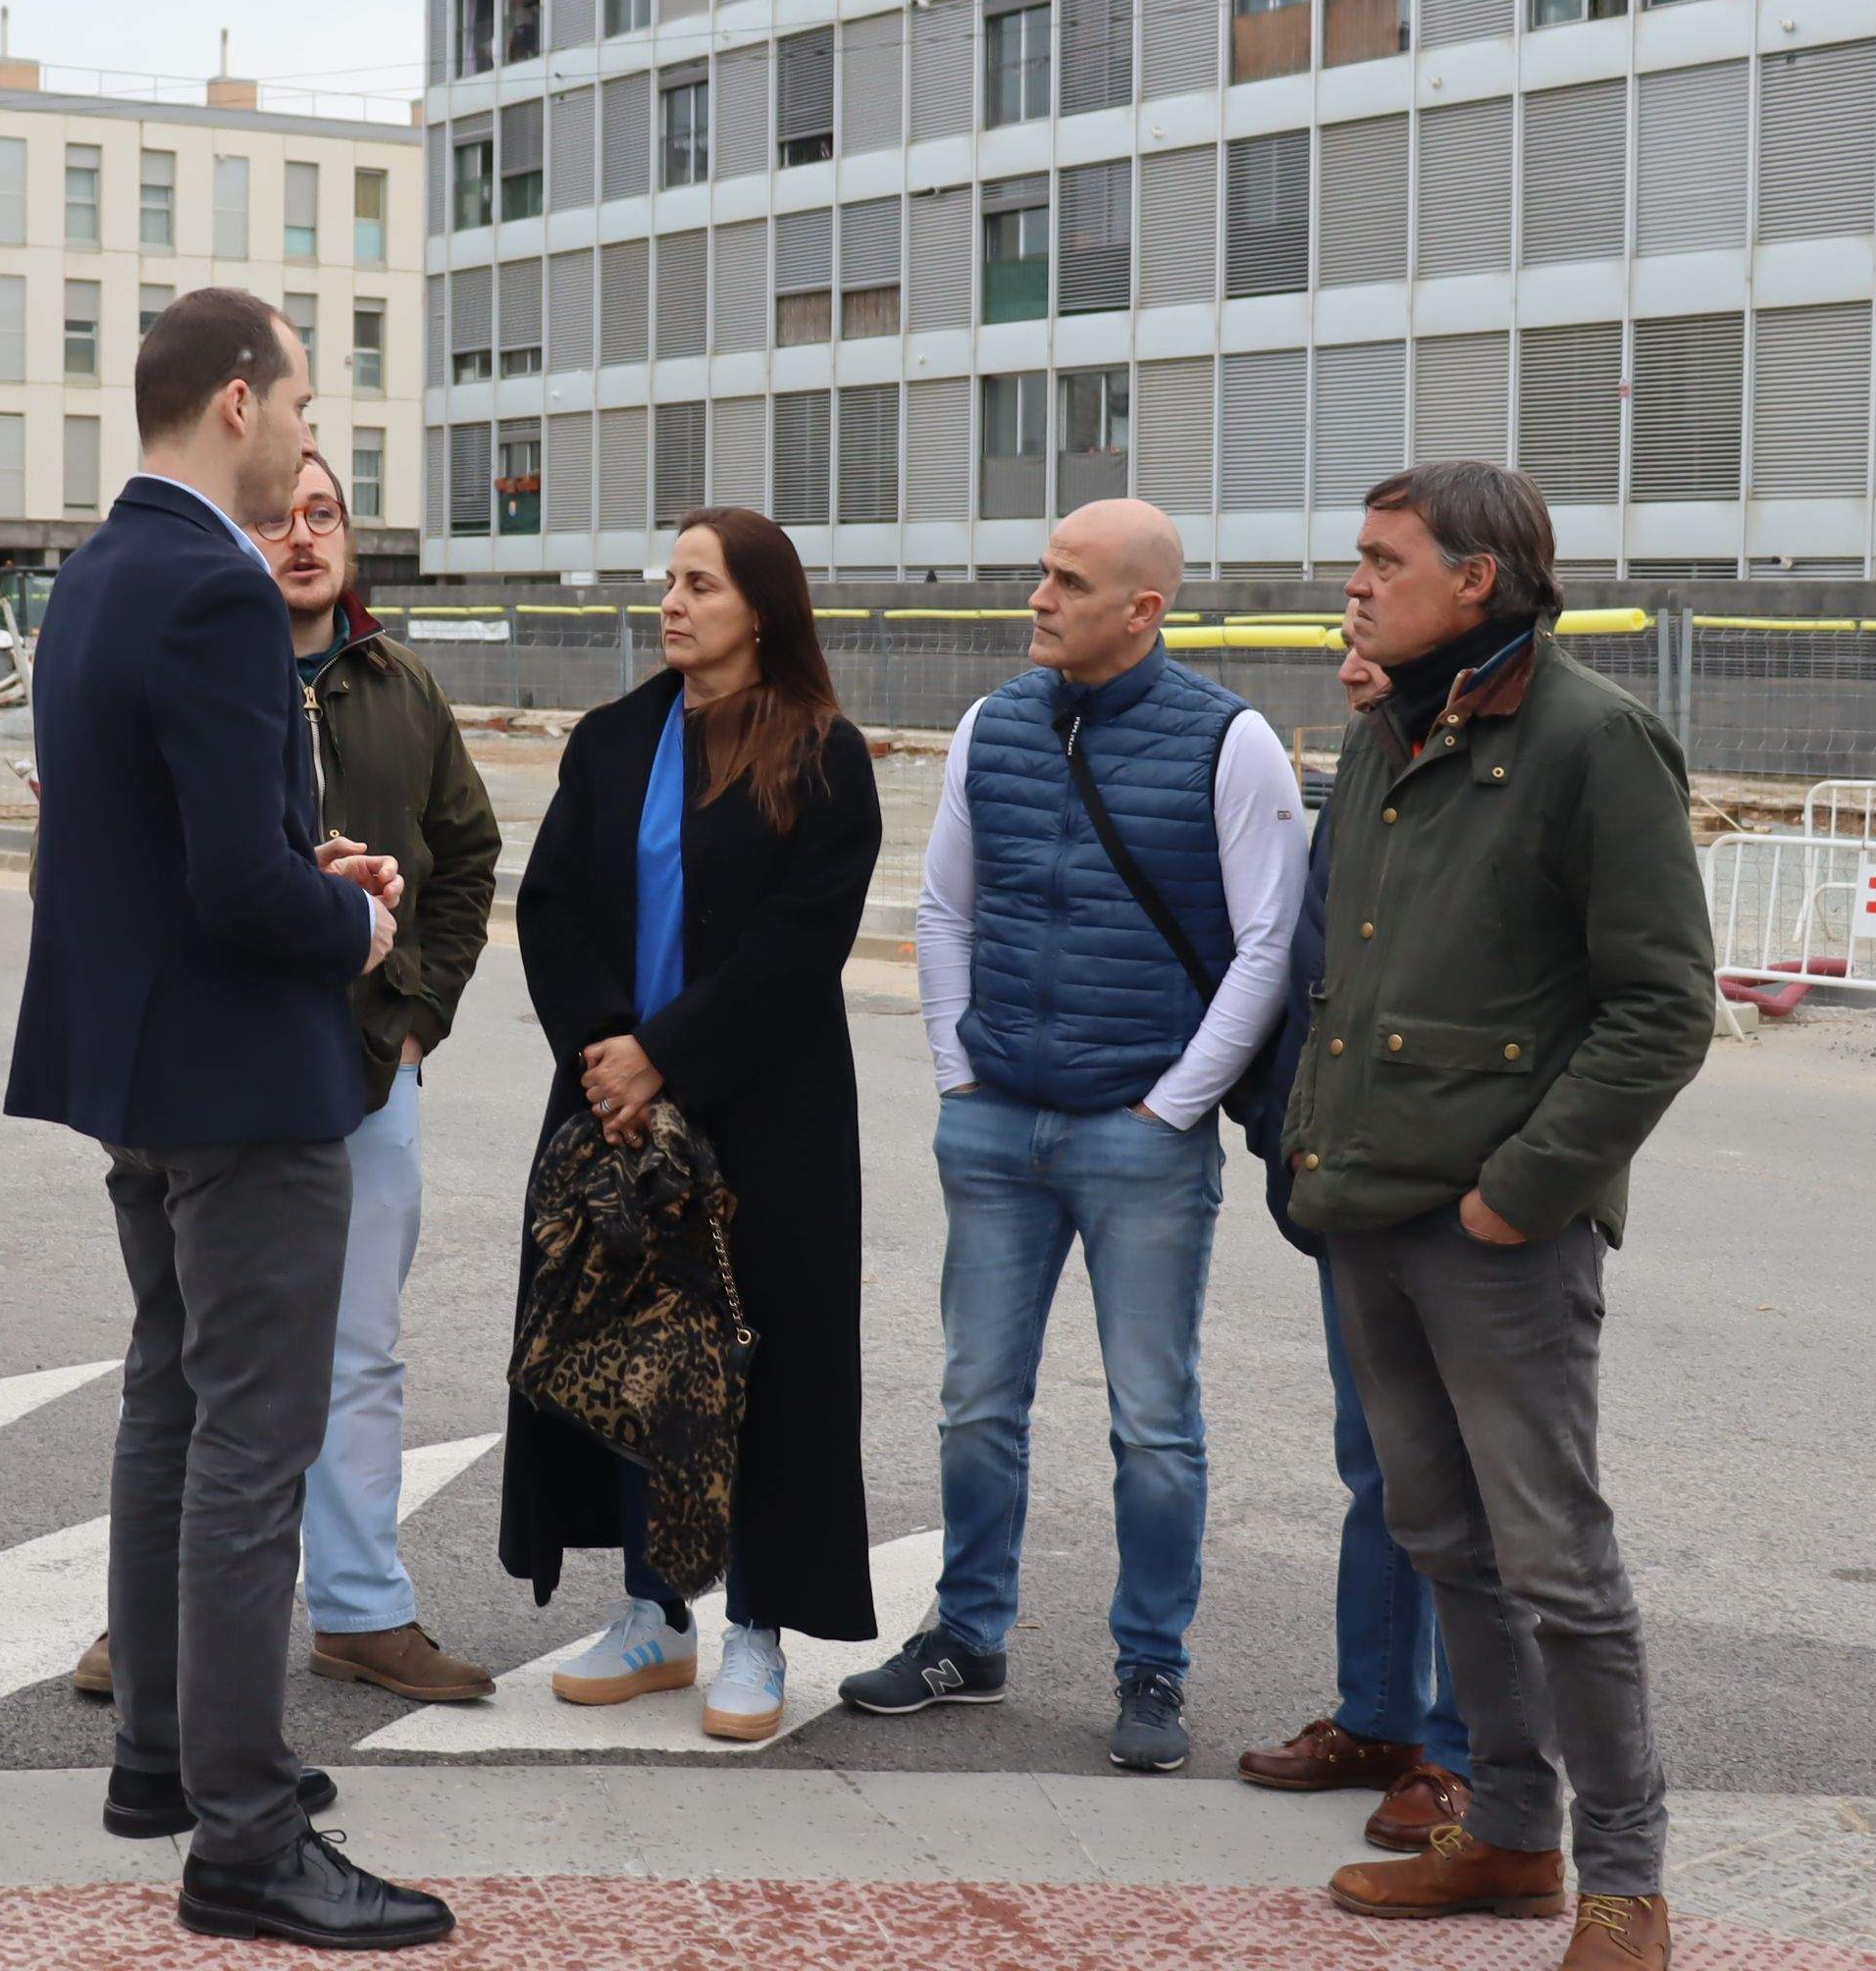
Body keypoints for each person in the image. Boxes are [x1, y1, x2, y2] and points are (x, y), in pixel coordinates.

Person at [2, 288, 450, 1952]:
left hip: (140, 1074)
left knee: (170, 1416)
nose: (308, 438)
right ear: (243, 402)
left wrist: (296, 874)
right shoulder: (210, 585)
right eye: (307, 402)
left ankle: (158, 1762)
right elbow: (230, 882)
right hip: (243, 1089)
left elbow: (145, 850)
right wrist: (357, 921)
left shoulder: (98, 574)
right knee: (255, 1450)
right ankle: (246, 1841)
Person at [1292, 462, 1713, 1971]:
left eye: (1382, 559)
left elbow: (1663, 1008)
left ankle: (1624, 1881)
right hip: (1372, 1213)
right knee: (1443, 1541)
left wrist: (1515, 1198)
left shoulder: (1593, 742)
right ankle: (1512, 1838)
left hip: (1493, 1236)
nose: (1354, 583)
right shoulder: (1389, 729)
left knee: (1555, 1565)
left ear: (1479, 579)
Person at [838, 499, 1303, 1775]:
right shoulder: (994, 724)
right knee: (975, 1404)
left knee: (1155, 1422)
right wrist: (957, 1073)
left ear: (1142, 609)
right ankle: (969, 1635)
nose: (1037, 598)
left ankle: (1152, 1666)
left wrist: (1173, 1104)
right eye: (1041, 573)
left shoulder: (1233, 742)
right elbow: (942, 909)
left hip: (1140, 1139)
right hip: (997, 1124)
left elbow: (1269, 945)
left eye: (1067, 580)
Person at [68, 455, 503, 1709]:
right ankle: (151, 1624)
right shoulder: (195, 655)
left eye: (325, 515)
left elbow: (467, 854)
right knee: (199, 1355)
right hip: (222, 1068)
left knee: (359, 1350)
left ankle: (363, 1612)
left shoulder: (401, 687)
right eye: (276, 516)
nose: (303, 537)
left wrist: (421, 1012)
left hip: (368, 1069)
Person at [502, 506, 881, 1743]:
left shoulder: (825, 754)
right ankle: (655, 1614)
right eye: (667, 580)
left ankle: (758, 1628)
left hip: (767, 1110)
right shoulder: (614, 741)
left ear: (760, 607)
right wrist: (611, 1049)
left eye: (699, 584)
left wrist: (668, 1054)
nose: (671, 602)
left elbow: (797, 947)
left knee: (753, 1359)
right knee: (627, 1346)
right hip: (614, 1106)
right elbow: (552, 906)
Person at [1234, 641, 1473, 1851]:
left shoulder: (1542, 755)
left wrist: (1521, 1185)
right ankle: (1381, 1715)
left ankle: (1463, 1756)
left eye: (1381, 580)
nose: (1350, 634)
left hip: (1468, 1186)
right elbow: (1319, 954)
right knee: (1379, 1462)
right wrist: (1280, 1123)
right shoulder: (1374, 756)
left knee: (1472, 1479)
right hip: (1355, 1177)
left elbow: (1625, 994)